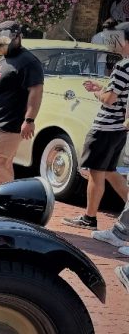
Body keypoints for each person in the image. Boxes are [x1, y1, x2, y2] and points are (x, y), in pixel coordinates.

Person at [63, 26, 129, 229]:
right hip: (119, 129)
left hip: (106, 126)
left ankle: (89, 217)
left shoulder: (123, 66)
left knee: (95, 172)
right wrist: (101, 88)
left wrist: (98, 94)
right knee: (109, 171)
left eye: (115, 38)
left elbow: (109, 99)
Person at [0, 21, 44, 186]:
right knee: (3, 164)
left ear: (18, 37)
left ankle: (3, 204)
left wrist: (29, 120)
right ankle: (7, 202)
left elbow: (36, 91)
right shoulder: (4, 60)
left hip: (9, 122)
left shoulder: (28, 61)